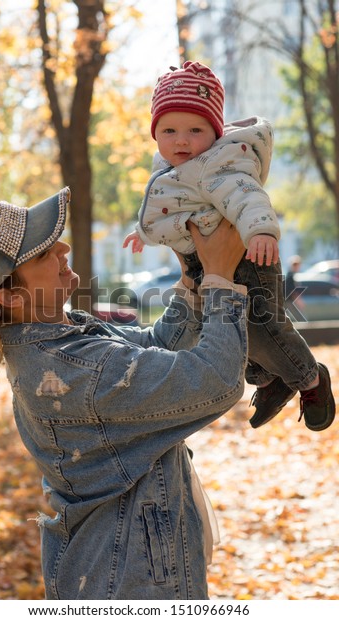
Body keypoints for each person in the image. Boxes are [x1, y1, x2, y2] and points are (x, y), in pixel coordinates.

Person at [0, 187, 249, 600]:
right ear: (9, 295)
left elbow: (153, 348)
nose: (64, 247)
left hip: (114, 568)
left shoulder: (59, 335)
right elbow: (214, 380)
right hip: (127, 581)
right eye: (43, 252)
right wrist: (219, 282)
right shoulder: (73, 368)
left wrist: (192, 280)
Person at [124, 61, 335, 432]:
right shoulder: (170, 169)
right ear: (155, 133)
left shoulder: (221, 163)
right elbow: (167, 205)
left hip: (250, 258)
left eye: (195, 129)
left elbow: (248, 197)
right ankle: (269, 382)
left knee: (264, 327)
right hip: (206, 263)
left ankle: (310, 379)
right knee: (227, 329)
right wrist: (141, 232)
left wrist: (262, 232)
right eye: (169, 130)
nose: (182, 140)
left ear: (215, 131)